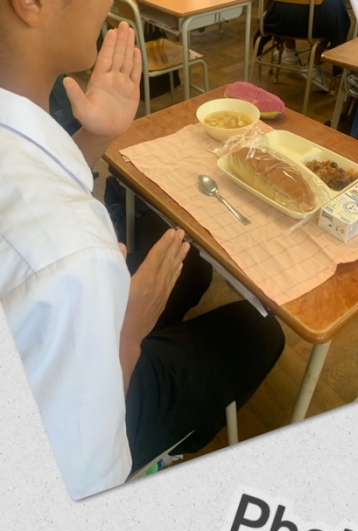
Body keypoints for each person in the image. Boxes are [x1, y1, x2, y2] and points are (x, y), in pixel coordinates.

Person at [0, 0, 285, 500]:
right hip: (98, 406)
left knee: (191, 267)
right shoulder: (71, 256)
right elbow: (81, 484)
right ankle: (167, 443)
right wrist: (130, 331)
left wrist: (95, 137)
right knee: (259, 331)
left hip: (63, 333)